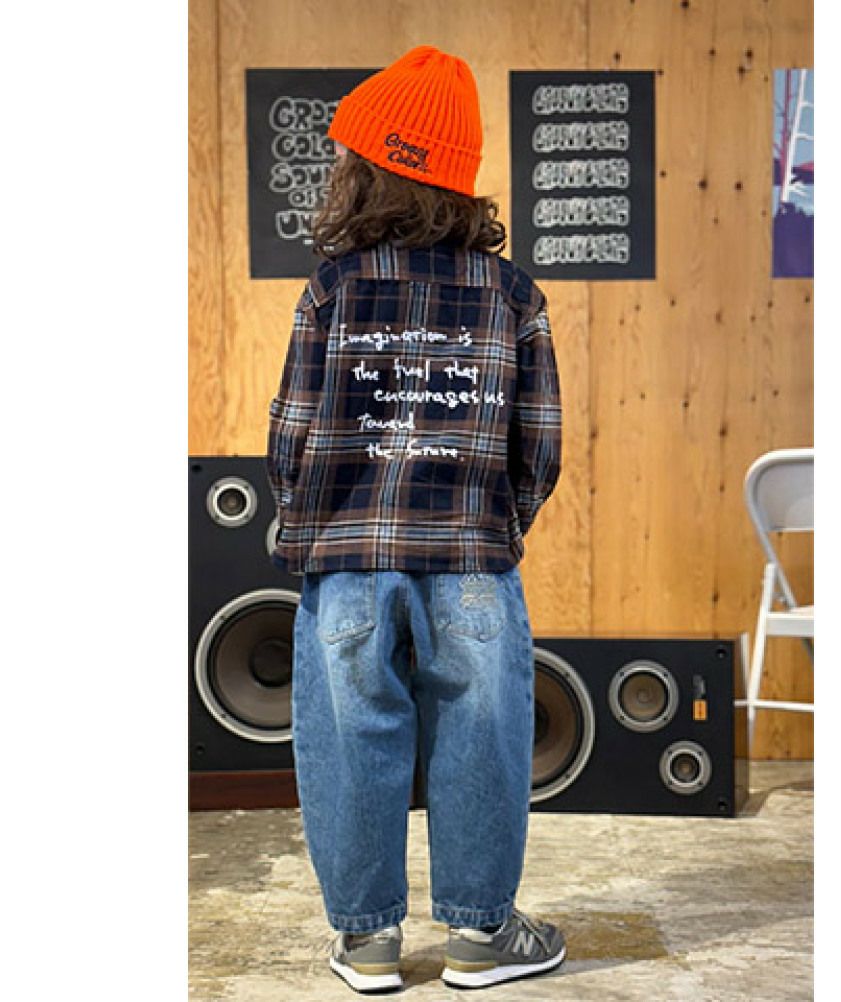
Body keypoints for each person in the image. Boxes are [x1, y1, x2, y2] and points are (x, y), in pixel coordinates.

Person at [266, 45, 564, 994]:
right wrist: (497, 527)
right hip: (471, 555)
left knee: (352, 736)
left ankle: (367, 945)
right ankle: (480, 939)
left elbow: (290, 435)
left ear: (371, 171)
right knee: (482, 734)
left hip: (347, 559)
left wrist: (310, 528)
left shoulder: (331, 288)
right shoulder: (512, 294)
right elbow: (539, 444)